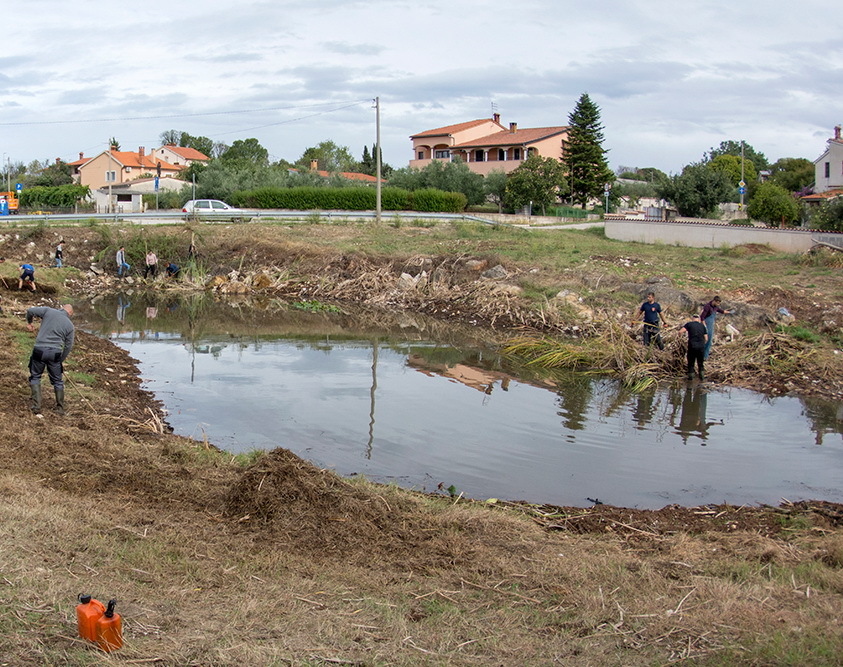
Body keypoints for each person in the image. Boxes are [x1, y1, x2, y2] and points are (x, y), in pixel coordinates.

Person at [26, 304, 75, 415]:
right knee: (57, 381)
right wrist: (61, 359)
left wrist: (29, 322)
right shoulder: (70, 325)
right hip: (55, 353)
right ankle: (60, 408)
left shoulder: (48, 311)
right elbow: (68, 346)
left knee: (35, 376)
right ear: (70, 313)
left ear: (62, 308)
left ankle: (36, 406)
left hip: (39, 350)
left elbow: (30, 310)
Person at [700, 296, 731, 360]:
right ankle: (701, 355)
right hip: (706, 324)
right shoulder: (707, 307)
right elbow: (702, 317)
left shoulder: (715, 307)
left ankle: (705, 356)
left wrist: (727, 312)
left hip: (711, 325)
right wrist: (704, 325)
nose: (718, 305)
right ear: (714, 301)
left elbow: (720, 311)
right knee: (705, 340)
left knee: (709, 341)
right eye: (717, 303)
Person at [680, 314, 708, 381]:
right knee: (701, 364)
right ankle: (702, 379)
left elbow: (680, 332)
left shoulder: (689, 324)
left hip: (692, 346)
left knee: (691, 363)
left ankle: (690, 380)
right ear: (698, 319)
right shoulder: (702, 326)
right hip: (701, 347)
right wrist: (702, 344)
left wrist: (680, 340)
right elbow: (706, 338)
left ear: (692, 318)